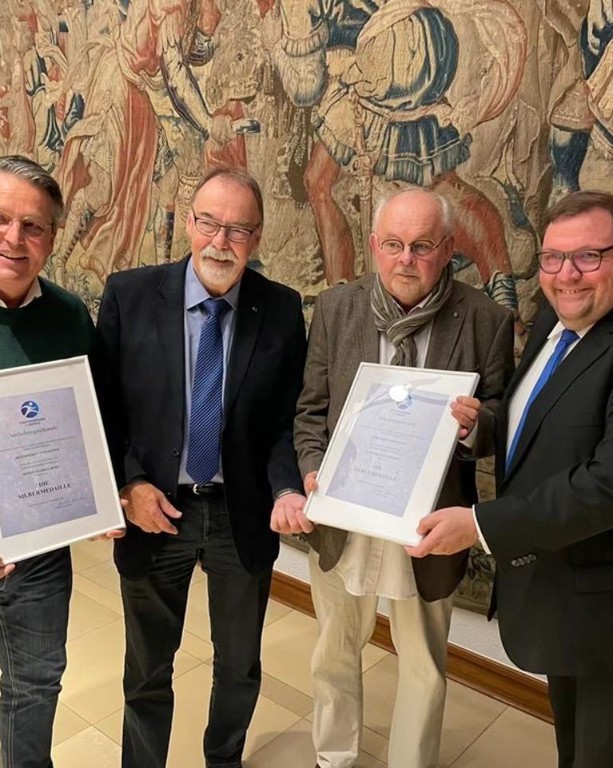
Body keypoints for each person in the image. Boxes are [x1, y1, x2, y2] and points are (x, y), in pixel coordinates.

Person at [279, 188, 515, 768]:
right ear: (373, 246)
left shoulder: (486, 320)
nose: (405, 259)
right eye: (393, 244)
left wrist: (474, 426)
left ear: (449, 249)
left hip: (427, 525)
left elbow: (501, 420)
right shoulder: (337, 308)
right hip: (345, 515)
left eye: (422, 246)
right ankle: (334, 756)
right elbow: (310, 410)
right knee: (335, 650)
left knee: (424, 665)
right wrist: (312, 468)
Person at [96, 165, 307, 768]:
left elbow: (286, 419)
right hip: (154, 510)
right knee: (147, 669)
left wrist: (287, 488)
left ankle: (224, 759)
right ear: (188, 223)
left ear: (256, 238)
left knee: (239, 666)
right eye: (210, 223)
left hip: (241, 514)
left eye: (238, 230)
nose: (221, 242)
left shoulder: (281, 309)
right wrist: (129, 483)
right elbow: (104, 409)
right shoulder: (130, 295)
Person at [406, 190, 613, 768]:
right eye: (553, 257)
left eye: (589, 256)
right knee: (575, 744)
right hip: (562, 594)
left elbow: (605, 485)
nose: (566, 274)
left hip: (601, 608)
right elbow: (540, 421)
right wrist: (481, 426)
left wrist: (479, 525)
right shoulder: (554, 319)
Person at [0, 154, 96, 767]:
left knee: (33, 688)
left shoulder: (69, 317)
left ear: (52, 238)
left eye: (32, 226)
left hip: (38, 552)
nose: (14, 239)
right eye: (2, 219)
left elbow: (90, 423)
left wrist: (103, 495)